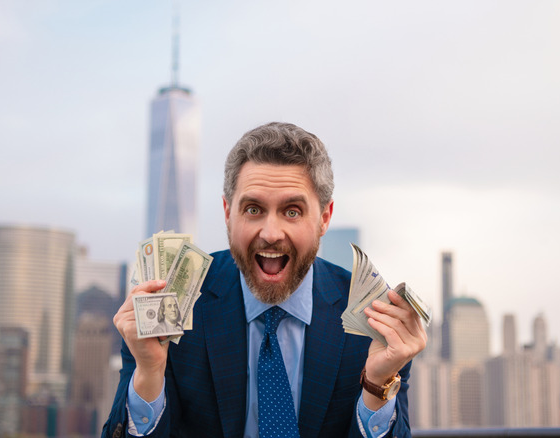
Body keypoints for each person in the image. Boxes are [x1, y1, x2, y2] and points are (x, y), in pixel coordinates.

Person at [103, 122, 427, 438]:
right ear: (228, 214)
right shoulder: (166, 303)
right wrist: (149, 373)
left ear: (324, 218)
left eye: (292, 211)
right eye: (254, 209)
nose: (271, 234)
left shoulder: (372, 323)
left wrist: (375, 384)